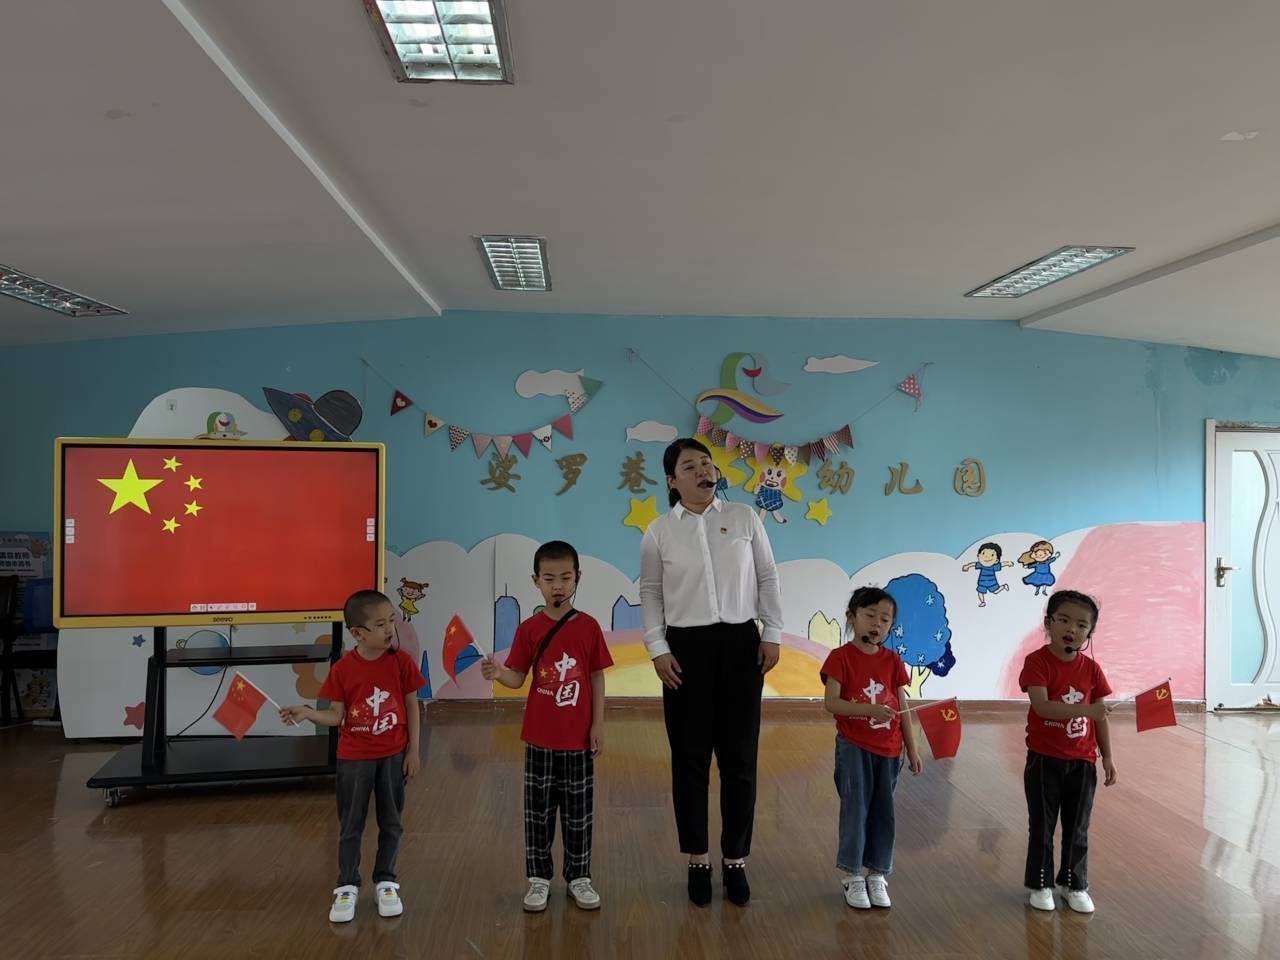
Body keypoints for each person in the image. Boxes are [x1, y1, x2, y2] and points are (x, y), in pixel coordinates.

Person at [639, 437, 783, 906]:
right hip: (685, 651)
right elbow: (651, 593)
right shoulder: (659, 532)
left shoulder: (744, 518)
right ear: (672, 480)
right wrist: (657, 648)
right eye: (690, 466)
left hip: (741, 644)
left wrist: (772, 632)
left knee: (740, 758)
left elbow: (767, 576)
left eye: (707, 463)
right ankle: (698, 859)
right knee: (690, 758)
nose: (703, 470)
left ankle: (735, 859)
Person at [481, 541, 613, 912]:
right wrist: (498, 673)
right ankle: (538, 879)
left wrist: (598, 724)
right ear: (536, 581)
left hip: (578, 739)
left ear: (578, 578)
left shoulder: (588, 627)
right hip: (539, 738)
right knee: (537, 813)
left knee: (578, 812)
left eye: (565, 578)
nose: (558, 586)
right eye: (549, 578)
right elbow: (517, 678)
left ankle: (579, 877)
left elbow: (597, 676)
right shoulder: (529, 630)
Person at [280, 590, 425, 923]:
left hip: (392, 757)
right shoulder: (344, 669)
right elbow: (336, 716)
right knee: (351, 824)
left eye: (392, 621)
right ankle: (347, 885)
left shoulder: (402, 662)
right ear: (358, 633)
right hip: (354, 759)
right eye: (380, 624)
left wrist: (413, 750)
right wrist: (307, 712)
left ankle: (386, 881)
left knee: (392, 821)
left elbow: (411, 705)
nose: (390, 630)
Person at [821, 586, 923, 909]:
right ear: (852, 618)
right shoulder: (840, 658)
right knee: (856, 808)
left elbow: (903, 708)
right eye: (869, 616)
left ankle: (877, 873)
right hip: (854, 746)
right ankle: (852, 875)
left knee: (884, 812)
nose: (877, 624)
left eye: (885, 619)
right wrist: (869, 710)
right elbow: (831, 703)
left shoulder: (893, 661)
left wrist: (913, 749)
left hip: (890, 750)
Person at [1019, 589, 1117, 914]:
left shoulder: (1092, 670)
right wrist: (1087, 711)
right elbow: (1043, 706)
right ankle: (1041, 884)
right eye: (1063, 620)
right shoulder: (1037, 662)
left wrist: (1107, 757)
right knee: (1043, 826)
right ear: (1048, 623)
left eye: (1081, 625)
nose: (1071, 629)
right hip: (1044, 760)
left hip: (1082, 762)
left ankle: (1074, 884)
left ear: (1090, 632)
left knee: (1077, 827)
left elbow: (1100, 717)